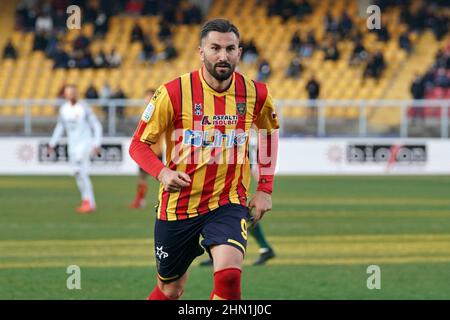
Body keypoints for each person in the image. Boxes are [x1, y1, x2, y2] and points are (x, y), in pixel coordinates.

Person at [129, 18, 279, 300]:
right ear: (201, 52)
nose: (223, 56)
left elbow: (269, 135)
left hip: (228, 202)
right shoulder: (173, 92)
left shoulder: (257, 93)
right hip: (178, 206)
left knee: (230, 277)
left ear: (239, 51)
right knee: (171, 289)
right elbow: (138, 144)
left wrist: (265, 189)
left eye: (230, 49)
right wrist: (162, 173)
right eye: (215, 48)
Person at [48, 84, 103, 213]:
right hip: (72, 146)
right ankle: (87, 201)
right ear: (65, 95)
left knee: (81, 172)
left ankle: (89, 202)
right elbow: (60, 127)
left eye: (73, 92)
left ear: (77, 93)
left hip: (85, 145)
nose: (71, 94)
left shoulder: (84, 108)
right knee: (78, 174)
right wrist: (52, 143)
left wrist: (96, 143)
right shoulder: (64, 109)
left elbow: (97, 126)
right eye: (68, 92)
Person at [128, 88, 163, 209]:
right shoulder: (146, 113)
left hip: (156, 150)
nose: (147, 99)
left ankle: (165, 200)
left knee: (164, 178)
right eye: (146, 97)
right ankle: (140, 200)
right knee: (142, 177)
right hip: (146, 151)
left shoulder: (159, 112)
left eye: (150, 96)